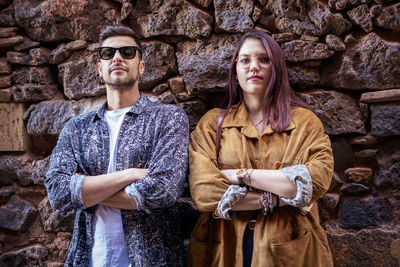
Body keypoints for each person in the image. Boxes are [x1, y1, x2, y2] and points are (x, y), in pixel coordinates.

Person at [188, 29, 334, 267]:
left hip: (291, 250)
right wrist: (283, 196)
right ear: (235, 71)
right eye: (245, 60)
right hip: (224, 246)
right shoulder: (212, 124)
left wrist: (241, 176)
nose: (253, 66)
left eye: (264, 59)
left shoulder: (304, 122)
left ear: (276, 68)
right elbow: (204, 193)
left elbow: (316, 181)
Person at [45, 25, 189, 266]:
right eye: (108, 53)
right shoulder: (77, 128)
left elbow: (163, 190)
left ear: (141, 66)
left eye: (128, 52)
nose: (118, 58)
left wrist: (83, 192)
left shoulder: (168, 118)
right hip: (90, 259)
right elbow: (58, 192)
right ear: (100, 68)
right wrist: (130, 175)